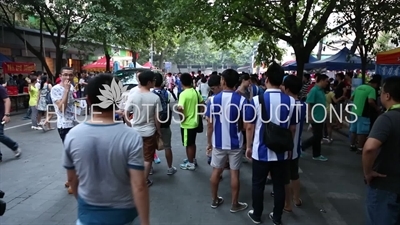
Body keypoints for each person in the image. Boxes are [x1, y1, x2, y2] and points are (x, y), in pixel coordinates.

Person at [62, 74, 150, 225]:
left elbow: (72, 179)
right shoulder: (131, 136)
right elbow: (139, 186)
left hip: (88, 215)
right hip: (124, 215)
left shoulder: (73, 136)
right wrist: (145, 222)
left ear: (88, 100)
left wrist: (85, 204)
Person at [245, 62, 298, 225]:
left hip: (260, 151)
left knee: (258, 184)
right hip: (281, 151)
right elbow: (293, 129)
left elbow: (249, 126)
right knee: (279, 186)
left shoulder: (255, 100)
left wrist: (248, 146)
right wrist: (290, 147)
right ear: (281, 80)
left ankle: (257, 214)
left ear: (266, 79)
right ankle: (277, 217)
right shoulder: (291, 102)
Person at [206, 69, 248, 212]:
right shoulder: (242, 100)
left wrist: (209, 143)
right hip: (235, 142)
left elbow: (210, 124)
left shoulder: (212, 100)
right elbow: (246, 124)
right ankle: (234, 204)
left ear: (223, 81)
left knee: (216, 171)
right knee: (234, 173)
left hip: (218, 142)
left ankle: (214, 199)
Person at [362, 76, 400, 225]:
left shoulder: (387, 118)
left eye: (381, 92)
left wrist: (368, 172)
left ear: (387, 95)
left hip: (385, 187)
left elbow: (369, 148)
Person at [125, 70, 161, 187]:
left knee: (135, 156)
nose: (155, 82)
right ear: (149, 82)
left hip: (135, 131)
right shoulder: (155, 97)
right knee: (147, 158)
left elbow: (126, 113)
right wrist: (158, 131)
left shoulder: (133, 96)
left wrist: (130, 124)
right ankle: (144, 180)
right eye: (154, 80)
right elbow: (157, 119)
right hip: (149, 132)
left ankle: (134, 178)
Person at [281, 75, 306, 212]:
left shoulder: (286, 104)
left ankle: (287, 204)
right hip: (296, 146)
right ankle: (297, 199)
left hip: (286, 146)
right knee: (294, 174)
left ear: (287, 88)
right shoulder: (302, 105)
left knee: (285, 177)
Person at [50, 67, 77, 194]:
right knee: (71, 155)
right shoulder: (55, 89)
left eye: (70, 75)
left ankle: (70, 179)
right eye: (65, 75)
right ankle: (73, 182)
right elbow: (61, 109)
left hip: (73, 123)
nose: (68, 78)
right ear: (60, 75)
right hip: (64, 126)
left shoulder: (72, 87)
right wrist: (66, 91)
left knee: (73, 154)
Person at [177, 73, 204, 170]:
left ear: (181, 82)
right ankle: (192, 159)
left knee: (188, 144)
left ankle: (190, 163)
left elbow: (180, 108)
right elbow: (202, 103)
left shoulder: (183, 94)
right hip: (195, 122)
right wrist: (199, 113)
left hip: (187, 124)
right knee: (192, 143)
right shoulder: (195, 92)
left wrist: (182, 118)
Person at [152, 73, 177, 175]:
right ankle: (170, 168)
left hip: (152, 124)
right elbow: (172, 107)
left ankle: (149, 169)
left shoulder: (150, 94)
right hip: (165, 123)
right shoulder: (168, 94)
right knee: (168, 147)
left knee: (150, 147)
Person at [302, 74, 329, 161]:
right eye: (326, 81)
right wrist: (309, 115)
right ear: (321, 80)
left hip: (321, 116)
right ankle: (302, 147)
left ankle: (316, 154)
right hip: (315, 117)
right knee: (318, 136)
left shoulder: (321, 90)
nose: (327, 83)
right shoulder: (314, 90)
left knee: (318, 136)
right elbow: (309, 103)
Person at [349, 78, 380, 154]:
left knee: (353, 129)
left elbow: (351, 98)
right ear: (375, 84)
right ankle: (360, 148)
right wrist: (377, 108)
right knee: (362, 131)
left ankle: (352, 145)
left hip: (354, 111)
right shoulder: (371, 89)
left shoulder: (359, 87)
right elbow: (370, 101)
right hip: (363, 113)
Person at [0, 85, 21, 162]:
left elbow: (7, 100)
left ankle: (14, 146)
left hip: (0, 116)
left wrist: (7, 114)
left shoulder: (0, 88)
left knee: (0, 135)